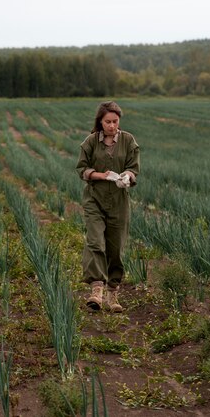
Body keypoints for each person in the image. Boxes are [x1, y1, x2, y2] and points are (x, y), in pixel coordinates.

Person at [76, 101, 140, 313]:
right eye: (107, 122)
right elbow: (82, 169)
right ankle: (96, 290)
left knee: (116, 248)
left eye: (115, 122)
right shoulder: (91, 142)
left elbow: (133, 168)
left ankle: (113, 292)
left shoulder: (128, 141)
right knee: (95, 241)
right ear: (100, 122)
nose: (112, 126)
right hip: (95, 198)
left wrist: (127, 177)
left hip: (119, 202)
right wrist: (100, 175)